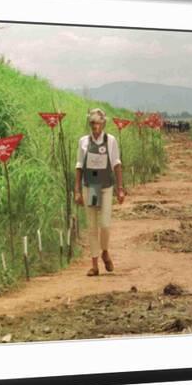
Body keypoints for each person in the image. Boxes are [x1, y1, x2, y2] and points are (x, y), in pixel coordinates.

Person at [74, 108, 125, 276]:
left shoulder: (110, 141)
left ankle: (105, 251)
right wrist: (77, 191)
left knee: (105, 224)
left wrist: (120, 188)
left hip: (105, 187)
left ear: (103, 123)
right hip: (91, 187)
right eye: (92, 123)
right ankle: (94, 264)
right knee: (92, 225)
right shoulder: (83, 142)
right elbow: (79, 166)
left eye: (97, 122)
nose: (95, 126)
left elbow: (116, 164)